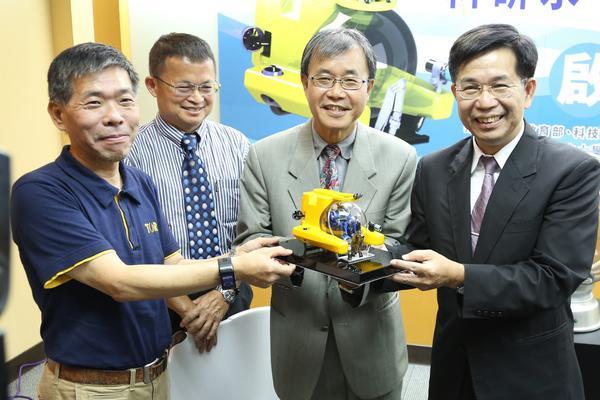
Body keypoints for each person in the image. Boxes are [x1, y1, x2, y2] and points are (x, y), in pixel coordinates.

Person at [10, 42, 294, 400]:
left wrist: (234, 268)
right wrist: (234, 266)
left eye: (125, 101)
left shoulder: (137, 180)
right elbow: (120, 282)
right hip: (92, 387)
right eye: (95, 102)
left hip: (155, 377)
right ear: (57, 113)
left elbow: (170, 261)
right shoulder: (40, 192)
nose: (115, 116)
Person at [386, 24, 600, 400]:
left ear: (528, 90)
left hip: (530, 375)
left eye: (500, 85)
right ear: (455, 93)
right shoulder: (433, 168)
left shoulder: (573, 170)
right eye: (470, 87)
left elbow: (552, 279)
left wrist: (457, 275)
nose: (484, 102)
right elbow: (416, 248)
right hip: (454, 369)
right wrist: (354, 262)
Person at [234, 28, 417, 400]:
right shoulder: (264, 156)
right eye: (324, 79)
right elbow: (251, 238)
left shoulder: (400, 159)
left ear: (369, 87)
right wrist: (274, 260)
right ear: (304, 83)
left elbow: (400, 244)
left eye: (350, 80)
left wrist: (357, 275)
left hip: (371, 339)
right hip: (298, 341)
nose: (336, 93)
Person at [125, 33, 251, 353]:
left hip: (231, 293)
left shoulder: (237, 145)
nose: (197, 98)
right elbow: (132, 245)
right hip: (159, 302)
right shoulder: (129, 154)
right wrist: (184, 307)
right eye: (184, 87)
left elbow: (254, 230)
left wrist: (223, 294)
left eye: (206, 87)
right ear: (153, 86)